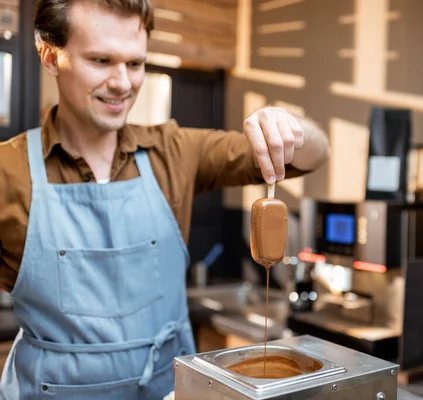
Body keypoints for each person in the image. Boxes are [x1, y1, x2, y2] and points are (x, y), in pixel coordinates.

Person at [0, 0, 330, 398]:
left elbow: (315, 155)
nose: (123, 82)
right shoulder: (8, 171)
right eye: (102, 60)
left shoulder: (174, 150)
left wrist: (290, 128)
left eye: (135, 64)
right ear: (51, 57)